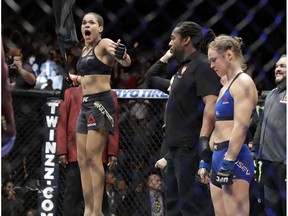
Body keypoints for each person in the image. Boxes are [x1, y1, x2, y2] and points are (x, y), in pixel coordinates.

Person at [146, 21, 221, 216]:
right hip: (174, 148)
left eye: (173, 38)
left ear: (186, 40)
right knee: (174, 206)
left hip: (190, 147)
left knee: (192, 207)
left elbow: (211, 105)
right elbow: (150, 77)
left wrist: (204, 140)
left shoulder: (203, 64)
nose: (170, 43)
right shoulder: (183, 68)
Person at [68, 12, 131, 216]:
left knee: (94, 159)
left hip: (101, 104)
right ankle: (88, 210)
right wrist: (75, 79)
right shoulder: (85, 49)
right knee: (82, 159)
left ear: (100, 28)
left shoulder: (103, 43)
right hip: (85, 104)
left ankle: (97, 212)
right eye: (84, 22)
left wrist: (123, 54)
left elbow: (125, 61)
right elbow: (89, 77)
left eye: (91, 22)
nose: (86, 25)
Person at [198, 35, 258, 216]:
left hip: (235, 158)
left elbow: (240, 127)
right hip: (218, 156)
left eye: (214, 60)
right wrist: (206, 159)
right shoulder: (225, 86)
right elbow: (219, 127)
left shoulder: (243, 83)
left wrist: (229, 160)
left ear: (229, 55)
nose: (212, 65)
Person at [56, 86, 120, 216]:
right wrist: (61, 150)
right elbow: (62, 122)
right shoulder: (70, 93)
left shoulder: (109, 94)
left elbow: (113, 123)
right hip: (75, 153)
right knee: (73, 194)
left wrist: (112, 151)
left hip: (98, 152)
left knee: (99, 195)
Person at [252, 54, 286, 216]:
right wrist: (255, 150)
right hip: (267, 162)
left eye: (283, 66)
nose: (278, 69)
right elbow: (261, 124)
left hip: (283, 162)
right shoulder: (272, 94)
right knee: (271, 207)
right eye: (277, 66)